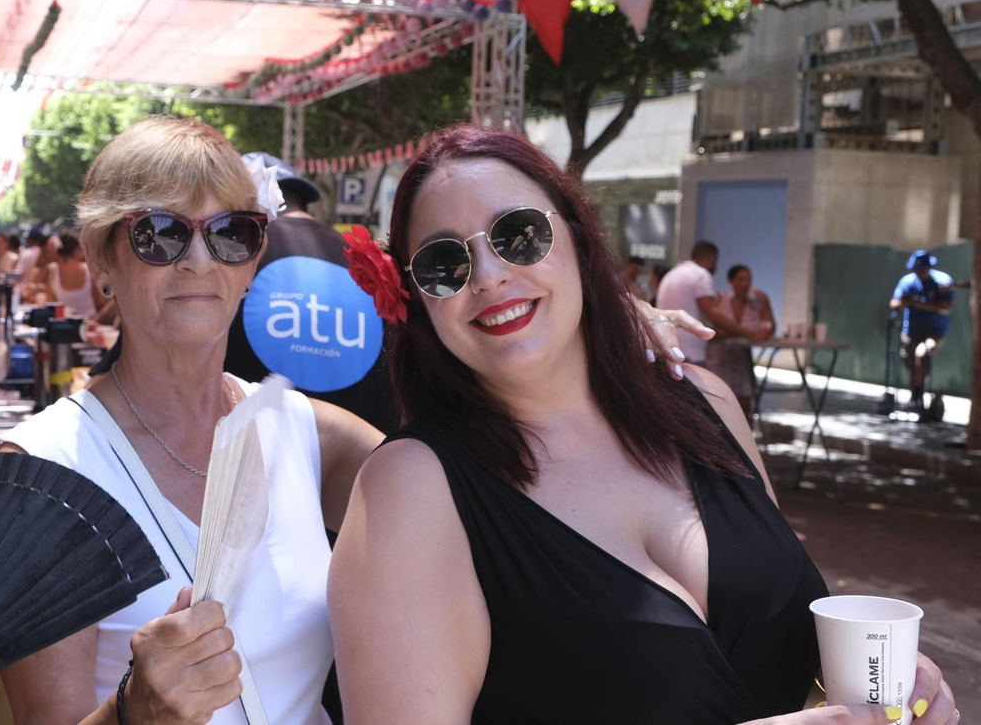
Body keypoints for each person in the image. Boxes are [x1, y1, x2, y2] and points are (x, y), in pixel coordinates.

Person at [327, 127, 957, 725]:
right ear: (415, 299)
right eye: (445, 264)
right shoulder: (409, 492)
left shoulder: (705, 403)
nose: (490, 276)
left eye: (519, 235)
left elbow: (789, 668)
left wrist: (878, 694)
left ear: (576, 237)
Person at [0, 116, 383, 725]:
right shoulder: (44, 469)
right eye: (160, 234)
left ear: (253, 260)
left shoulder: (305, 432)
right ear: (103, 259)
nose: (200, 261)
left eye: (232, 233)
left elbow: (471, 498)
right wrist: (133, 712)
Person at [225, 152, 398, 432]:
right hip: (366, 460)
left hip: (257, 457)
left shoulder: (236, 257)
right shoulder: (365, 263)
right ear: (302, 201)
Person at [892, 250, 954, 422]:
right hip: (912, 331)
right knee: (910, 361)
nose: (920, 273)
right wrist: (905, 302)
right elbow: (895, 302)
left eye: (923, 269)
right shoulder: (907, 282)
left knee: (922, 354)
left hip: (934, 332)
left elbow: (946, 307)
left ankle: (917, 397)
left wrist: (920, 304)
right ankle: (916, 390)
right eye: (917, 269)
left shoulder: (942, 282)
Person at [706, 264, 775, 419]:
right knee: (718, 403)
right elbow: (711, 328)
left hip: (742, 360)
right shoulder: (720, 301)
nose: (746, 283)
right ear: (731, 281)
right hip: (720, 359)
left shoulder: (755, 304)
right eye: (742, 279)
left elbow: (768, 328)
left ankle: (743, 439)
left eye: (749, 279)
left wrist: (766, 304)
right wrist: (737, 333)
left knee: (744, 405)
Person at [655, 241, 741, 365]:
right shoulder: (701, 275)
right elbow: (713, 314)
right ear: (713, 258)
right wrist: (747, 333)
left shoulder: (672, 274)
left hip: (666, 347)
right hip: (691, 352)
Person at [46, 232, 107, 319]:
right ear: (76, 249)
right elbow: (98, 303)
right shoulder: (89, 270)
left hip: (65, 323)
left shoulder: (52, 270)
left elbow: (50, 302)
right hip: (89, 323)